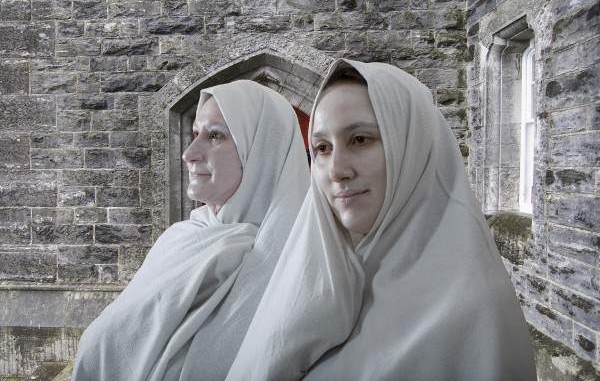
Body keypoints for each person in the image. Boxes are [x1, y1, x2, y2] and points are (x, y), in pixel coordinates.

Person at [226, 59, 538, 380]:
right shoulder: (317, 276)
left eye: (360, 139)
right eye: (322, 147)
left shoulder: (474, 314)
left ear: (413, 147)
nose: (336, 170)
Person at [72, 79, 310, 381]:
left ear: (262, 151)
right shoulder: (179, 238)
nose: (189, 153)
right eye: (196, 133)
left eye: (215, 135)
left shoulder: (294, 261)